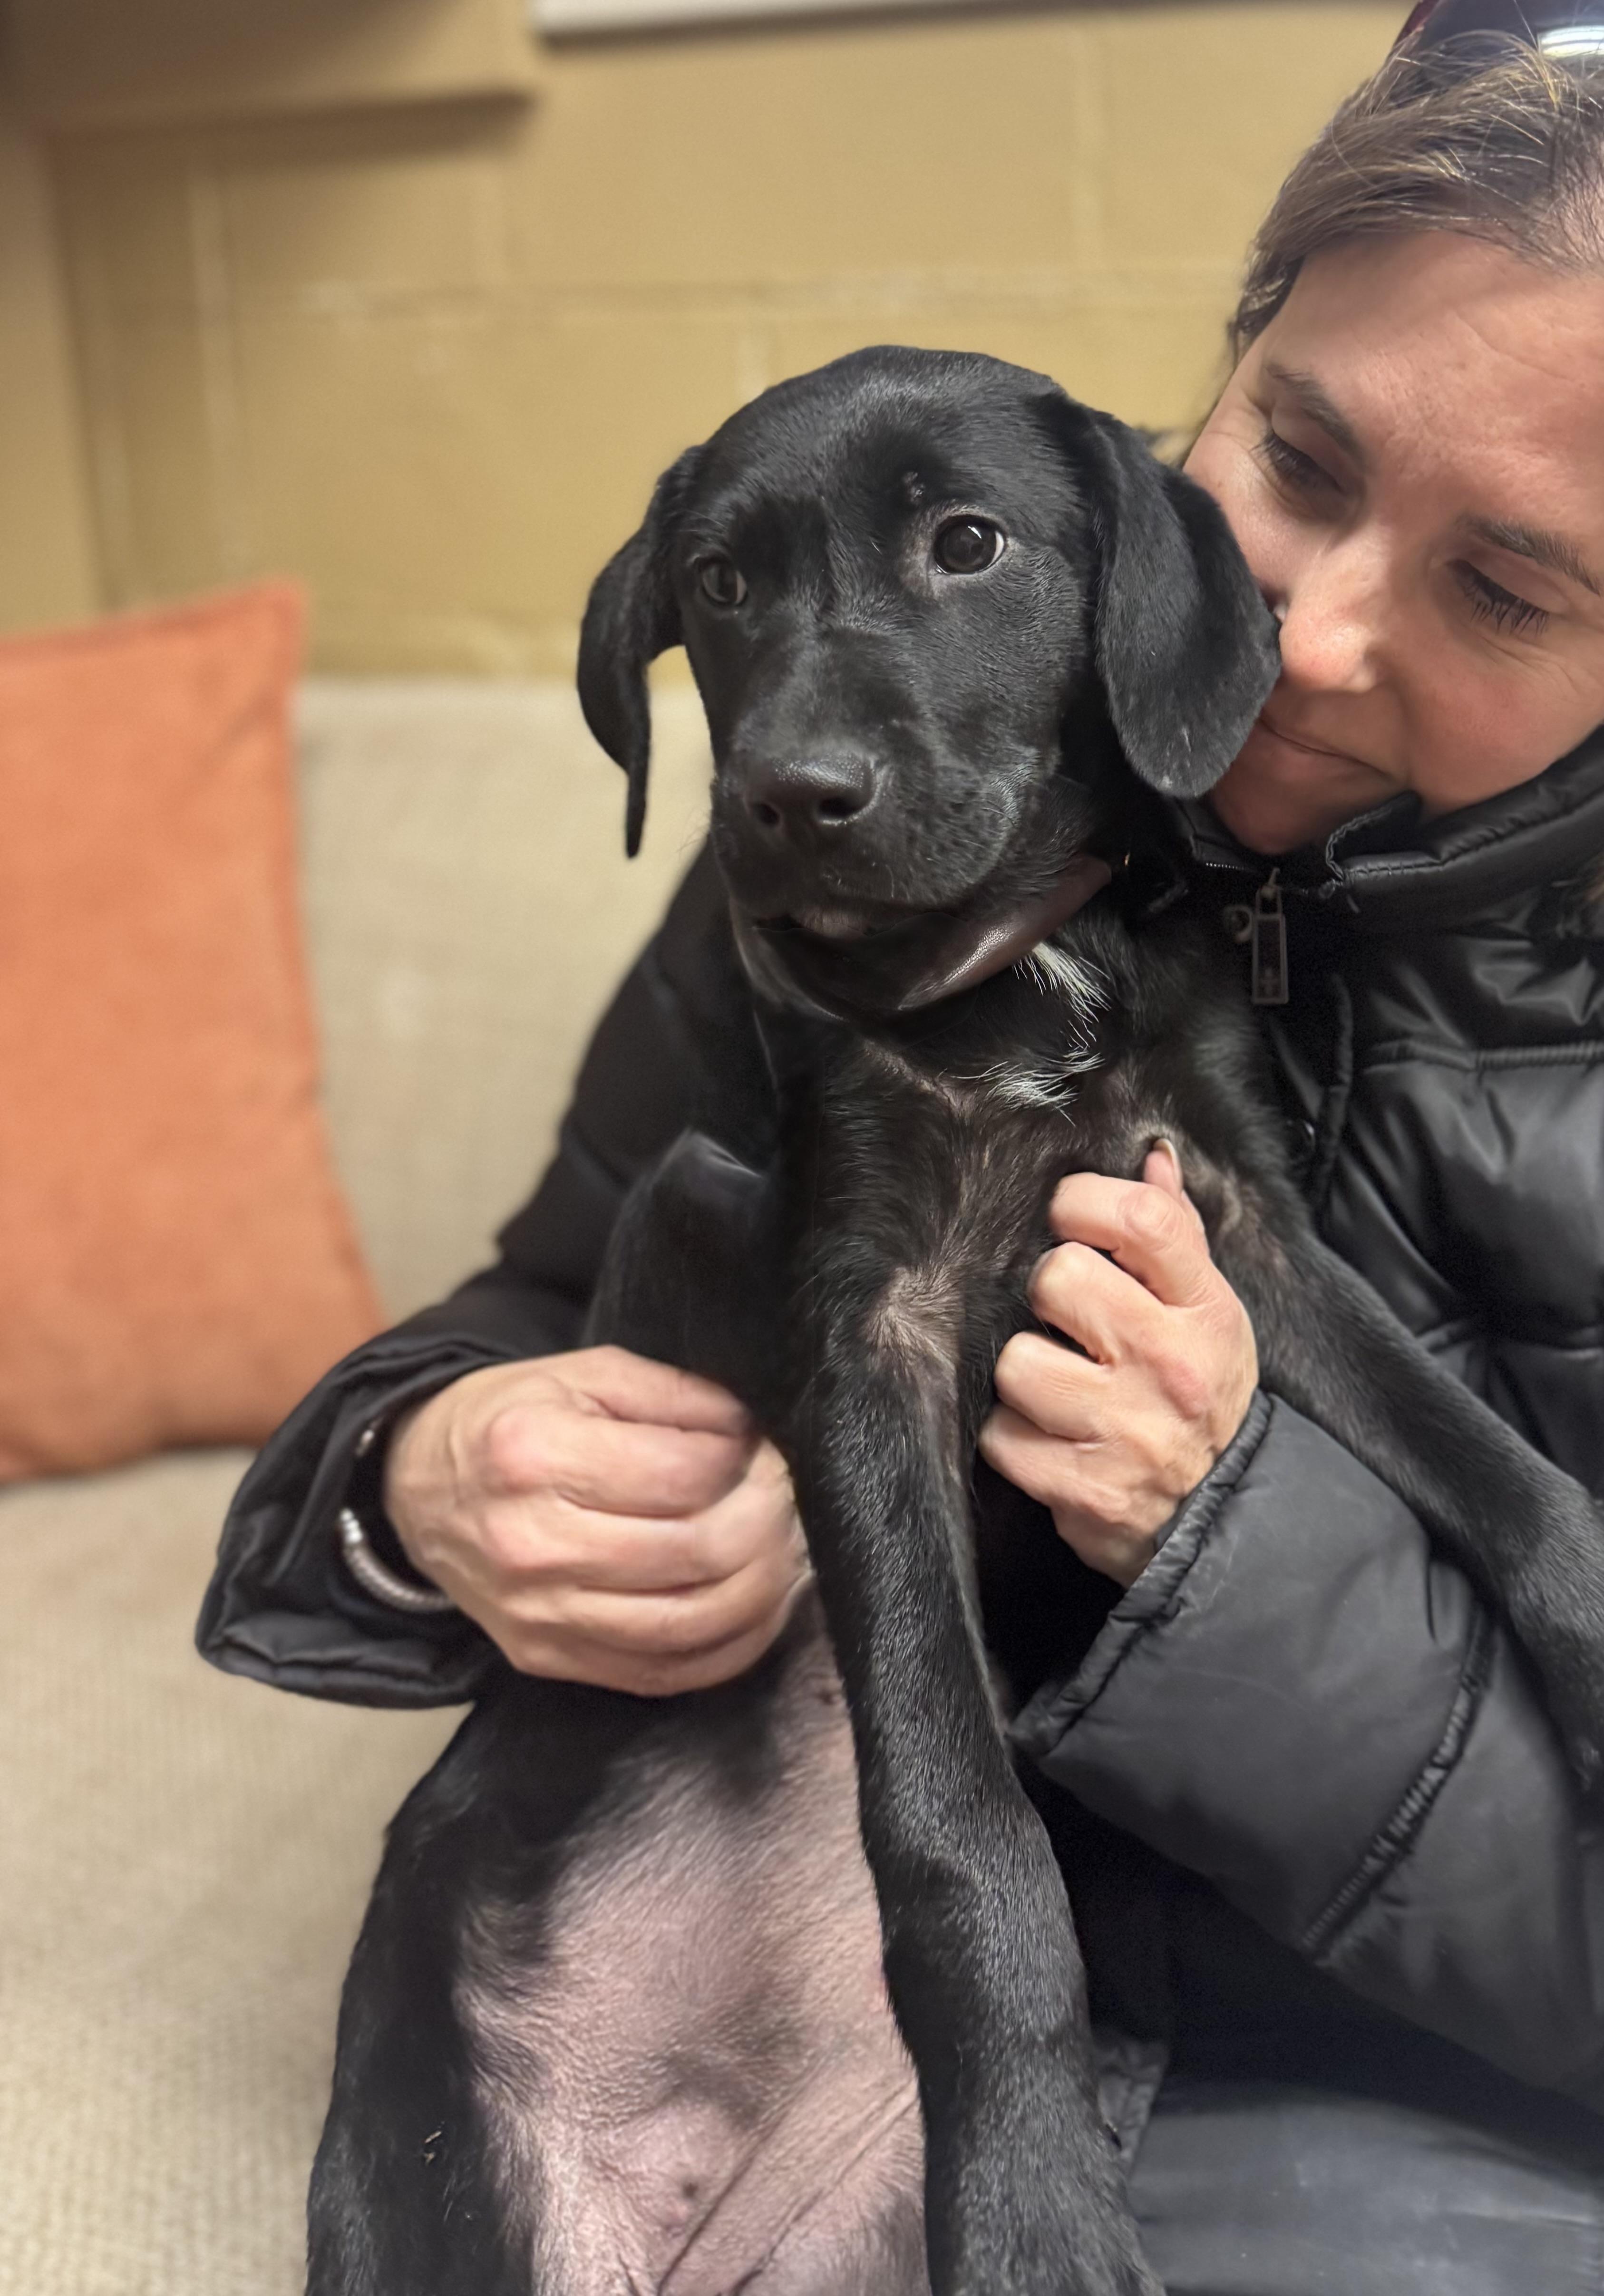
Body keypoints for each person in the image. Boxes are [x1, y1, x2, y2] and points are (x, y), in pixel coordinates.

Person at [198, 4, 1604, 2286]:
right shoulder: (869, 827)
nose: (1311, 636)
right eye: (1304, 458)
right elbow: (561, 1286)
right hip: (752, 1883)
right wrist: (423, 1466)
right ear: (1221, 377)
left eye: (1509, 587)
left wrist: (1235, 1555)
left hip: (1318, 2075)